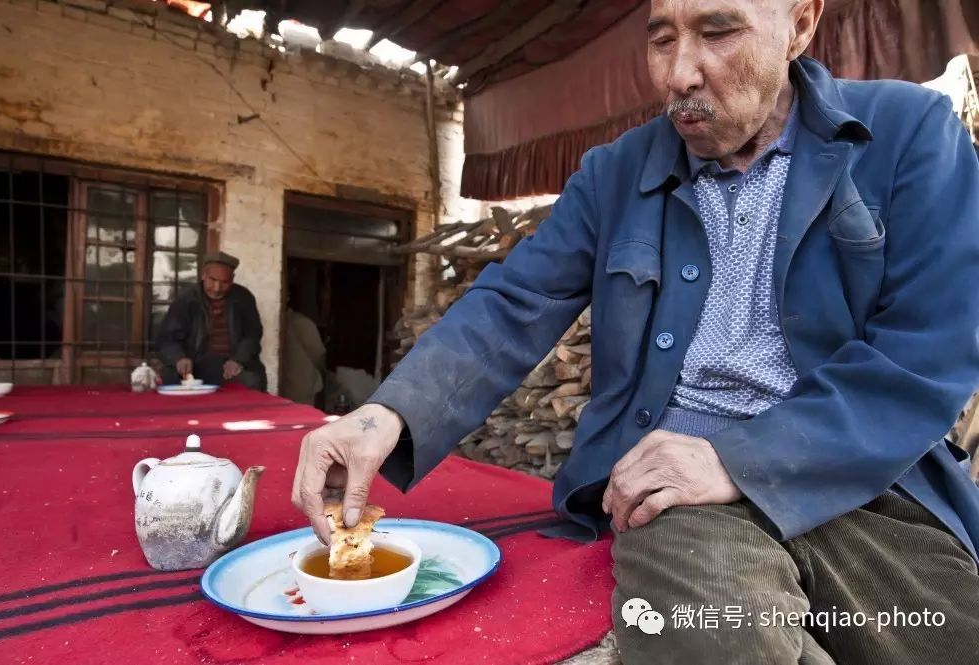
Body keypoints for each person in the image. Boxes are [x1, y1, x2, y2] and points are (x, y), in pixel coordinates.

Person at [291, 1, 979, 662]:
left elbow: (928, 353)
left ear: (800, 25)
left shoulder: (909, 133)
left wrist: (741, 458)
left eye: (718, 31)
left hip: (865, 483)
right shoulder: (614, 174)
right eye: (660, 38)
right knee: (718, 637)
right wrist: (384, 416)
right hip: (677, 496)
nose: (679, 73)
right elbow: (513, 301)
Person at [154, 251, 267, 391]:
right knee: (169, 379)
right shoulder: (186, 300)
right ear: (203, 275)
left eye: (224, 282)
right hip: (195, 364)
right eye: (212, 280)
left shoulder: (243, 298)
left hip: (229, 365)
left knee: (251, 381)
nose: (217, 288)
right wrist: (179, 358)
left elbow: (252, 335)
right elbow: (167, 339)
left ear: (232, 279)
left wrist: (239, 360)